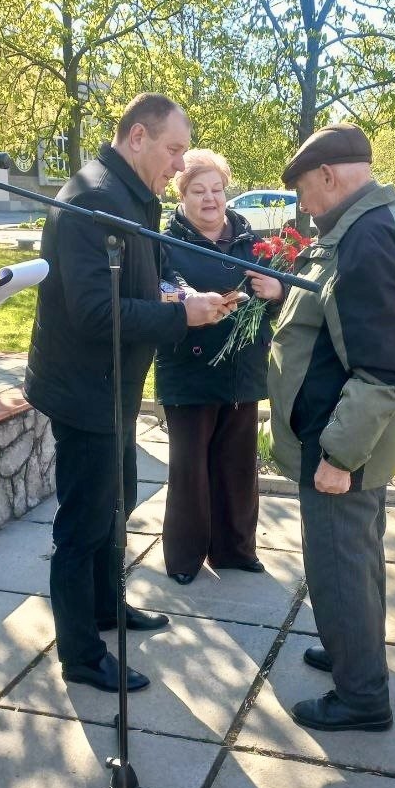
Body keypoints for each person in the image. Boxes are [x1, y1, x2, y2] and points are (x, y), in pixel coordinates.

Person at [24, 94, 234, 693]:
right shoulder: (92, 198)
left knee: (118, 504)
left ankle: (105, 608)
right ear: (137, 136)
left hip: (114, 386)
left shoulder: (133, 197)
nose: (179, 165)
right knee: (85, 521)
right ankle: (82, 655)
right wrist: (181, 318)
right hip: (85, 390)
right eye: (173, 150)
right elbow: (93, 311)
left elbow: (143, 279)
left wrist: (177, 295)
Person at [269, 123, 395, 732]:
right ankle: (348, 651)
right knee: (355, 562)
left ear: (330, 177)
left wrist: (337, 455)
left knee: (340, 564)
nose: (304, 209)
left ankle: (361, 696)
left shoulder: (368, 237)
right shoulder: (372, 224)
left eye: (306, 193)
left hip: (343, 440)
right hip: (344, 432)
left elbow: (382, 369)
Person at [155, 149, 283, 585]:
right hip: (188, 370)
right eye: (198, 190)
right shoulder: (165, 243)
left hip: (241, 370)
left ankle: (235, 550)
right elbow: (165, 290)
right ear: (182, 194)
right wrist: (189, 300)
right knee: (189, 469)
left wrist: (277, 293)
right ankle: (185, 557)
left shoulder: (252, 241)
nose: (210, 199)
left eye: (217, 189)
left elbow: (275, 309)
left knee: (238, 465)